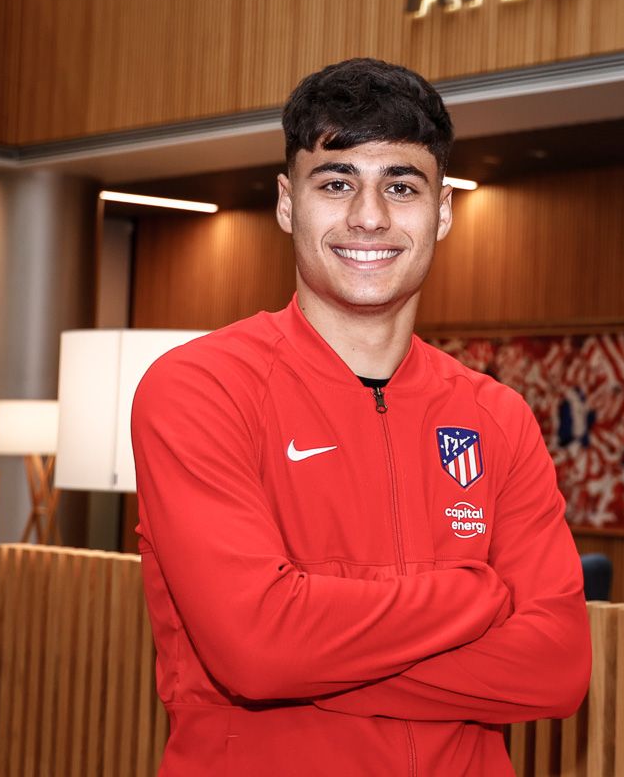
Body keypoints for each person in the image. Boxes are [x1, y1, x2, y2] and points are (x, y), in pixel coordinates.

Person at [131, 57, 591, 776]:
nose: (369, 216)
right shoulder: (200, 390)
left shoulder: (495, 416)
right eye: (337, 182)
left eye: (401, 186)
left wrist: (311, 663)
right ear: (288, 203)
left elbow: (556, 668)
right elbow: (257, 652)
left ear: (442, 211)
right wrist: (476, 594)